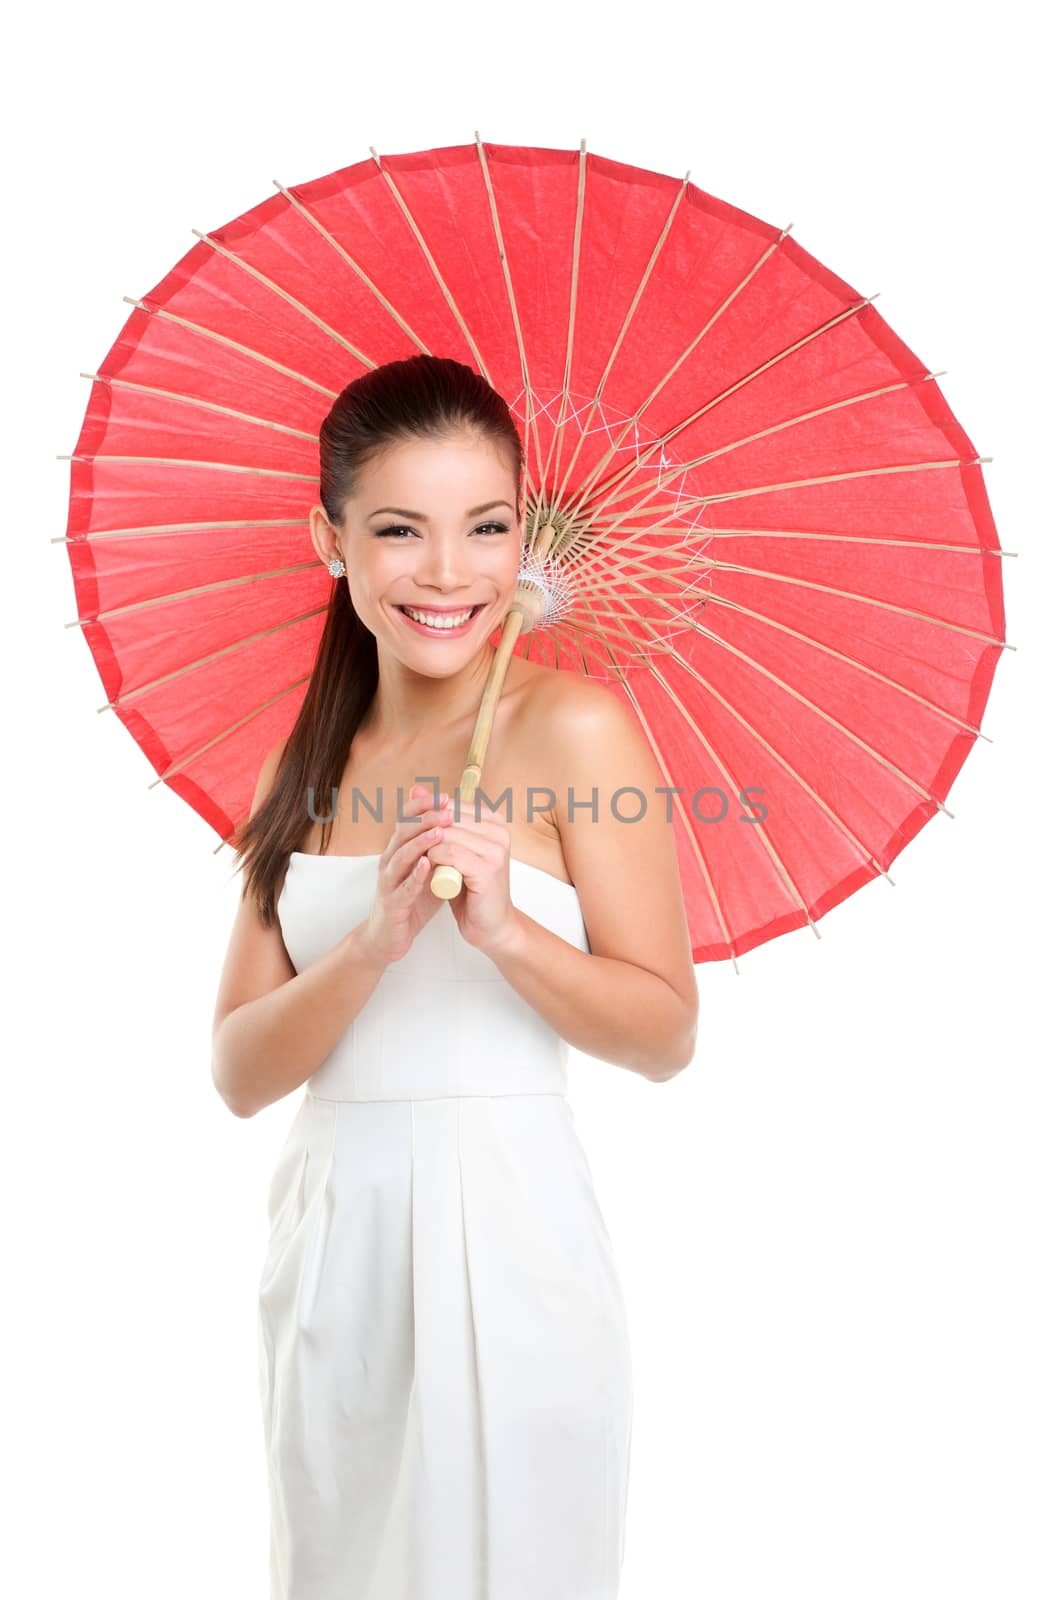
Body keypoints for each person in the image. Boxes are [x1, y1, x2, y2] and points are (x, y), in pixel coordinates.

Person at [211, 353, 699, 1599]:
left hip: (508, 1229)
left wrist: (507, 933)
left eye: (485, 527)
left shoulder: (572, 730)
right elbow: (238, 1070)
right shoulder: (301, 765)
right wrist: (371, 944)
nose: (447, 574)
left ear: (522, 535)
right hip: (332, 1238)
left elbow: (662, 1032)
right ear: (329, 539)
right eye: (397, 530)